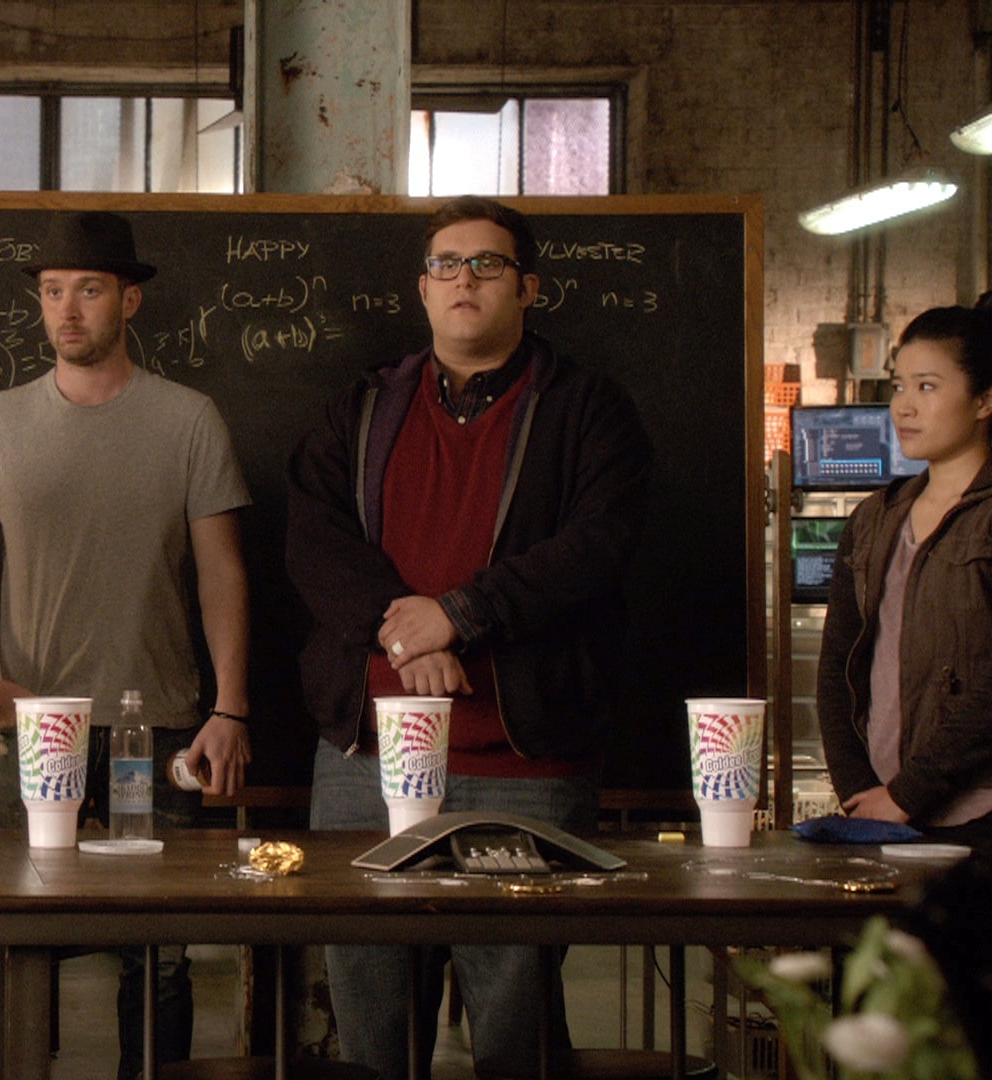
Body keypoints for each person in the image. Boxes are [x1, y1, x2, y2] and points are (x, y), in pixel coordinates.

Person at [285, 196, 652, 1079]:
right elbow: (312, 540)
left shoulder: (588, 409)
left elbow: (598, 545)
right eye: (446, 264)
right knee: (370, 1016)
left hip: (524, 762)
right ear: (422, 288)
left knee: (514, 1022)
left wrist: (461, 613)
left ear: (529, 288)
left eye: (488, 264)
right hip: (368, 759)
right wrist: (407, 630)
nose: (465, 279)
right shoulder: (362, 408)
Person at [0, 210, 253, 1078]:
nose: (67, 310)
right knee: (16, 946)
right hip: (36, 726)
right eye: (51, 292)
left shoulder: (189, 419)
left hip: (162, 721)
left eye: (88, 290)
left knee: (160, 959)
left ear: (129, 300)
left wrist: (231, 705)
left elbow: (222, 574)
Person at [817, 291, 992, 867]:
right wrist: (862, 793)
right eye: (898, 386)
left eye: (927, 387)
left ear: (985, 400)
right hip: (883, 812)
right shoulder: (874, 518)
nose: (904, 407)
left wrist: (907, 795)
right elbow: (838, 668)